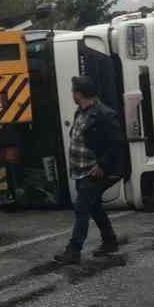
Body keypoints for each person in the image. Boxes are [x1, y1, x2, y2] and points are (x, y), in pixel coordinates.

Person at [54, 75, 126, 264]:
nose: (72, 94)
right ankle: (110, 241)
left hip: (93, 171)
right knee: (94, 206)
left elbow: (117, 143)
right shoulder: (81, 112)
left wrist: (102, 165)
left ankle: (73, 250)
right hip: (81, 170)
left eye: (73, 91)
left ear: (79, 93)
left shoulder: (104, 114)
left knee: (82, 208)